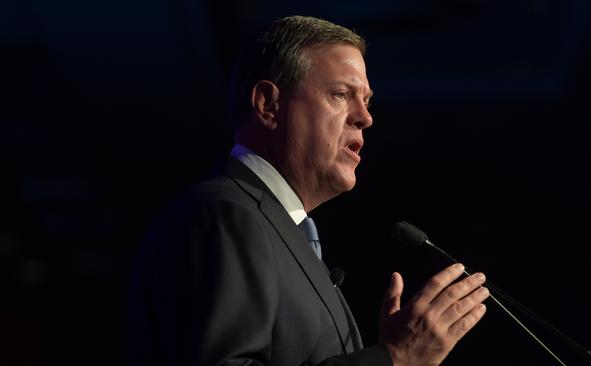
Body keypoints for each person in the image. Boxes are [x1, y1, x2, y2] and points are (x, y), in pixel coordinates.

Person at [128, 15, 490, 366]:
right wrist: (392, 359)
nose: (365, 117)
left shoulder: (277, 228)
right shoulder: (225, 213)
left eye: (366, 100)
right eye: (340, 94)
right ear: (269, 105)